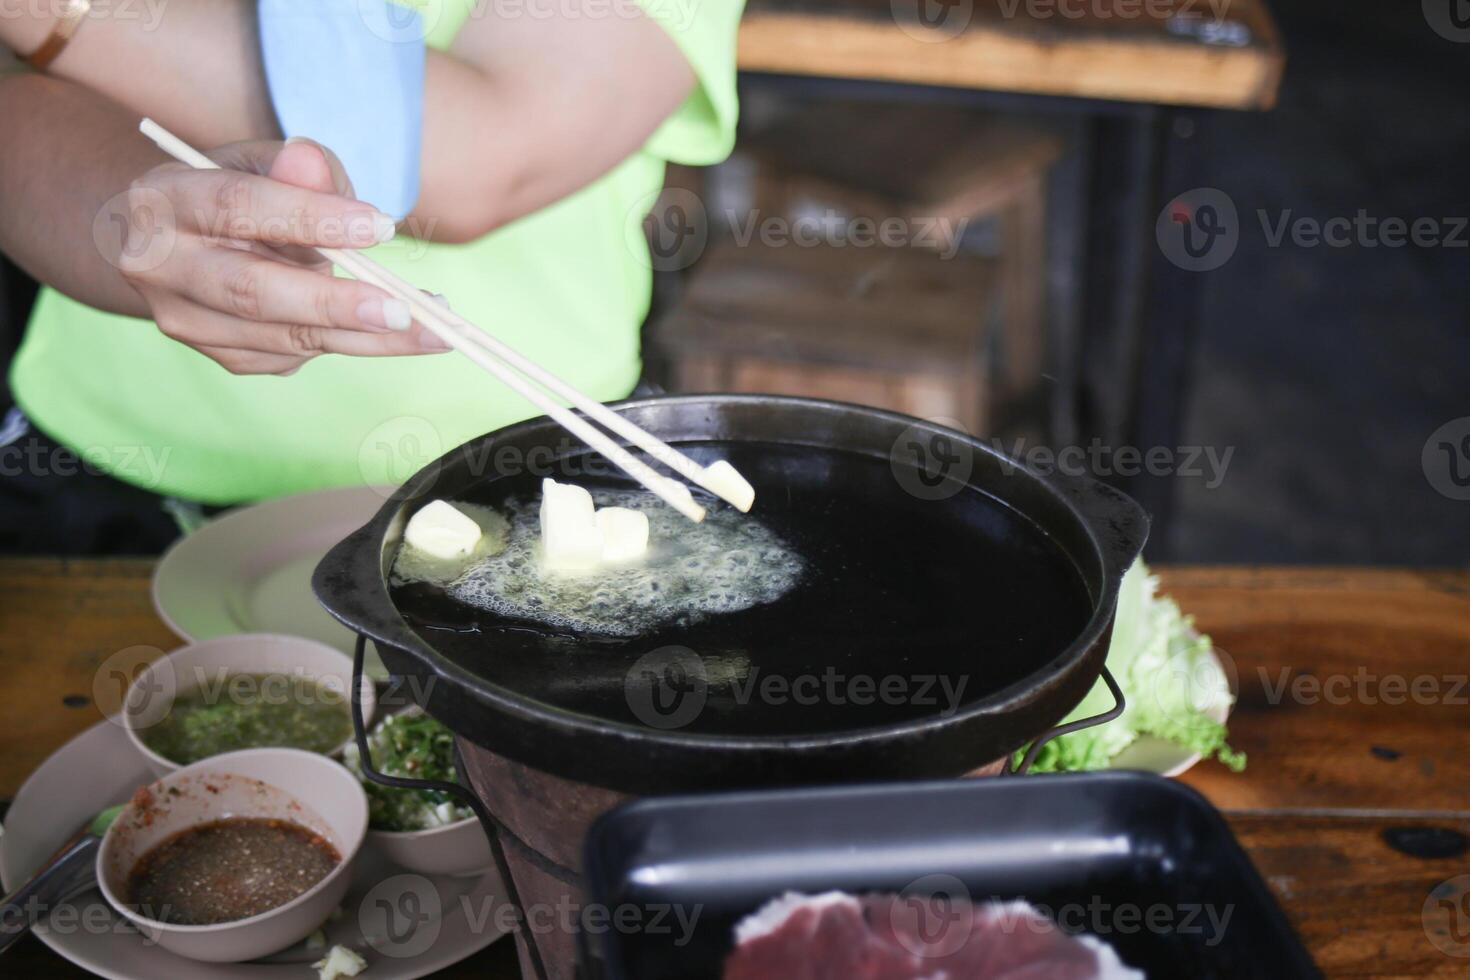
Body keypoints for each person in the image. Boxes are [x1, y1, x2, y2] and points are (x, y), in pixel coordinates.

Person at [0, 0, 739, 552]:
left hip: (523, 490)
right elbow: (20, 112)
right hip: (98, 470)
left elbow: (476, 157)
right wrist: (140, 230)